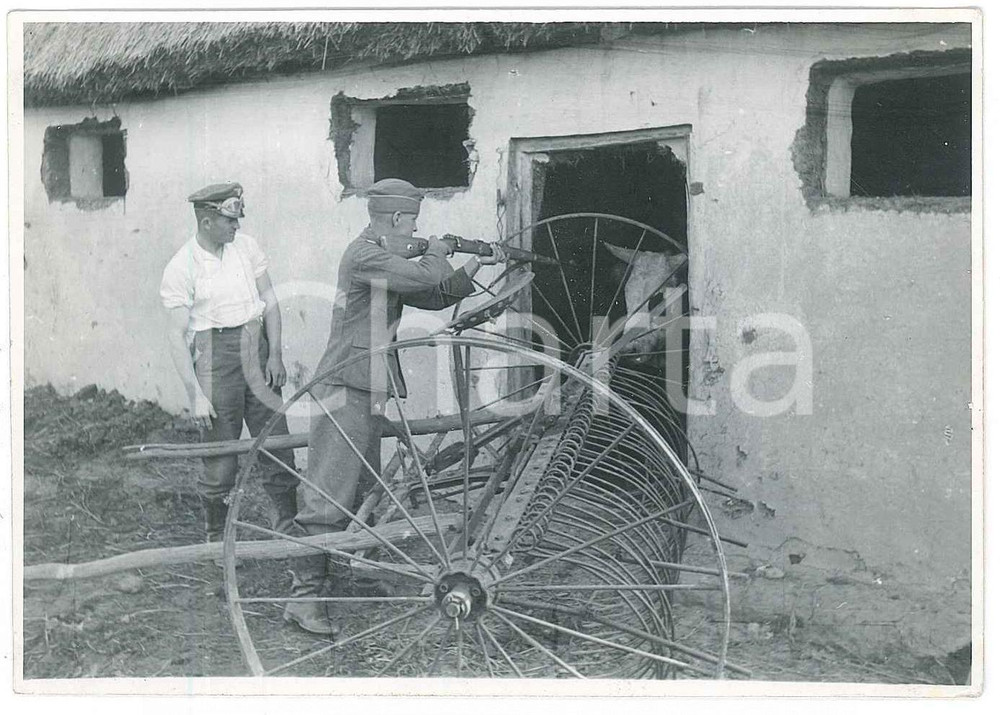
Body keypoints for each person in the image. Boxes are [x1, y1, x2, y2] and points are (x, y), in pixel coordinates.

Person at [282, 178, 506, 635]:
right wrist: (441, 250)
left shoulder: (384, 259)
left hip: (367, 385)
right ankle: (303, 599)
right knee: (328, 494)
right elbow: (425, 274)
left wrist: (476, 263)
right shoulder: (365, 255)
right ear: (399, 219)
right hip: (345, 384)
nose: (417, 229)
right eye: (415, 222)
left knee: (362, 486)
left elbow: (434, 293)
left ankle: (339, 577)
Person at [160, 182, 299, 546]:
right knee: (221, 459)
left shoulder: (246, 246)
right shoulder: (181, 266)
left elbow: (269, 301)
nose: (236, 227)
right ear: (207, 221)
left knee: (277, 443)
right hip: (214, 357)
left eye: (237, 220)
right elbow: (176, 337)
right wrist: (196, 396)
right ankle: (216, 540)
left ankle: (288, 530)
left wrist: (276, 353)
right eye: (229, 221)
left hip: (257, 346)